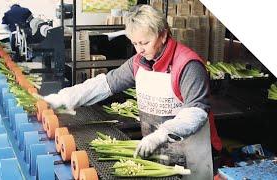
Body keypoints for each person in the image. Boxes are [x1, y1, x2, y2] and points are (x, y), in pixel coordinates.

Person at [44, 5, 222, 179]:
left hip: (193, 155)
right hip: (159, 154)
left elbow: (196, 112)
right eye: (135, 43)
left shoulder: (187, 65)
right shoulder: (139, 62)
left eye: (145, 42)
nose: (140, 49)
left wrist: (161, 134)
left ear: (163, 35)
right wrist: (65, 98)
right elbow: (106, 83)